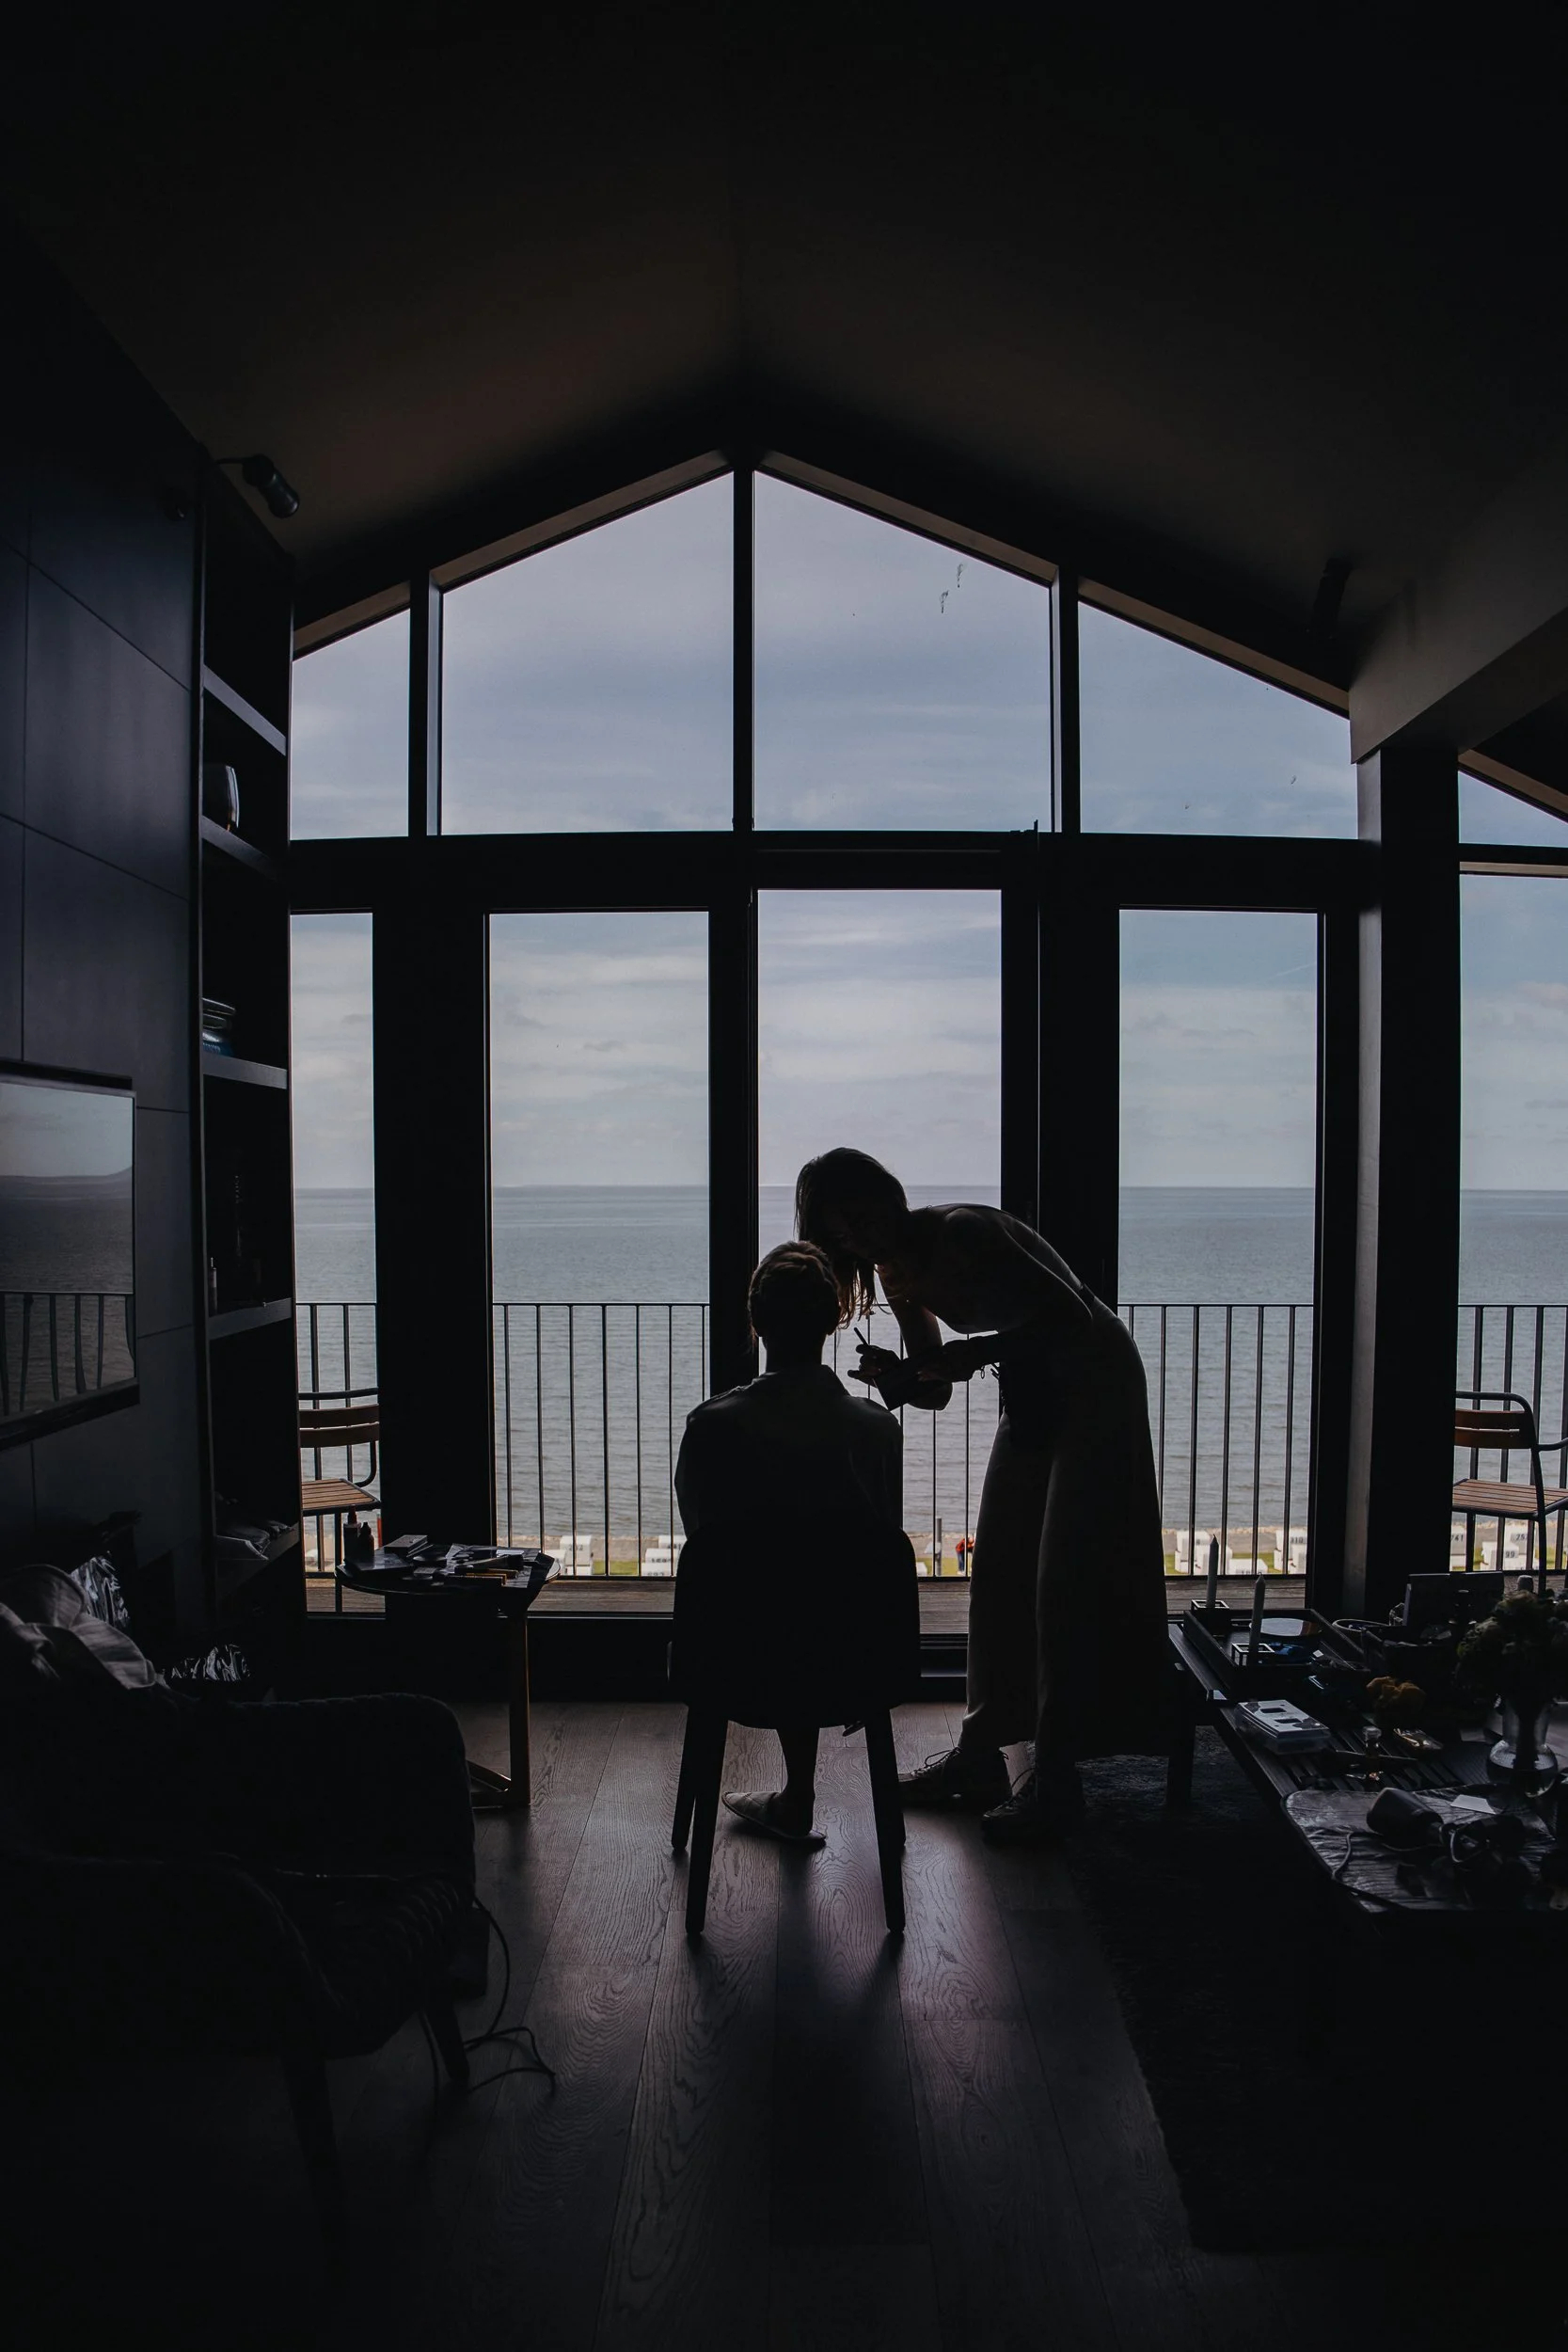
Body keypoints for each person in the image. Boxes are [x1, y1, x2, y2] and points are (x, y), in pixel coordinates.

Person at [795, 1146, 1169, 1845]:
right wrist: (900, 1378)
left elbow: (1076, 1317)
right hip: (1034, 1391)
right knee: (997, 1568)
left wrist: (973, 1354)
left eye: (860, 1218)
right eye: (841, 1235)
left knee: (1061, 1580)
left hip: (1095, 1380)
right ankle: (979, 1756)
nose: (858, 1239)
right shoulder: (895, 1271)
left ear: (888, 1194)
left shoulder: (962, 1231)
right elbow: (936, 1389)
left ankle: (1056, 1781)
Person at [674, 1239, 903, 1844]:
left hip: (737, 1653)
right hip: (854, 1654)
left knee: (774, 1595)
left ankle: (791, 1799)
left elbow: (704, 1545)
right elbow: (879, 1546)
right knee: (813, 1596)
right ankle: (797, 1795)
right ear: (832, 1321)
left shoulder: (712, 1425)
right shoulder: (877, 1430)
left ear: (755, 1321)